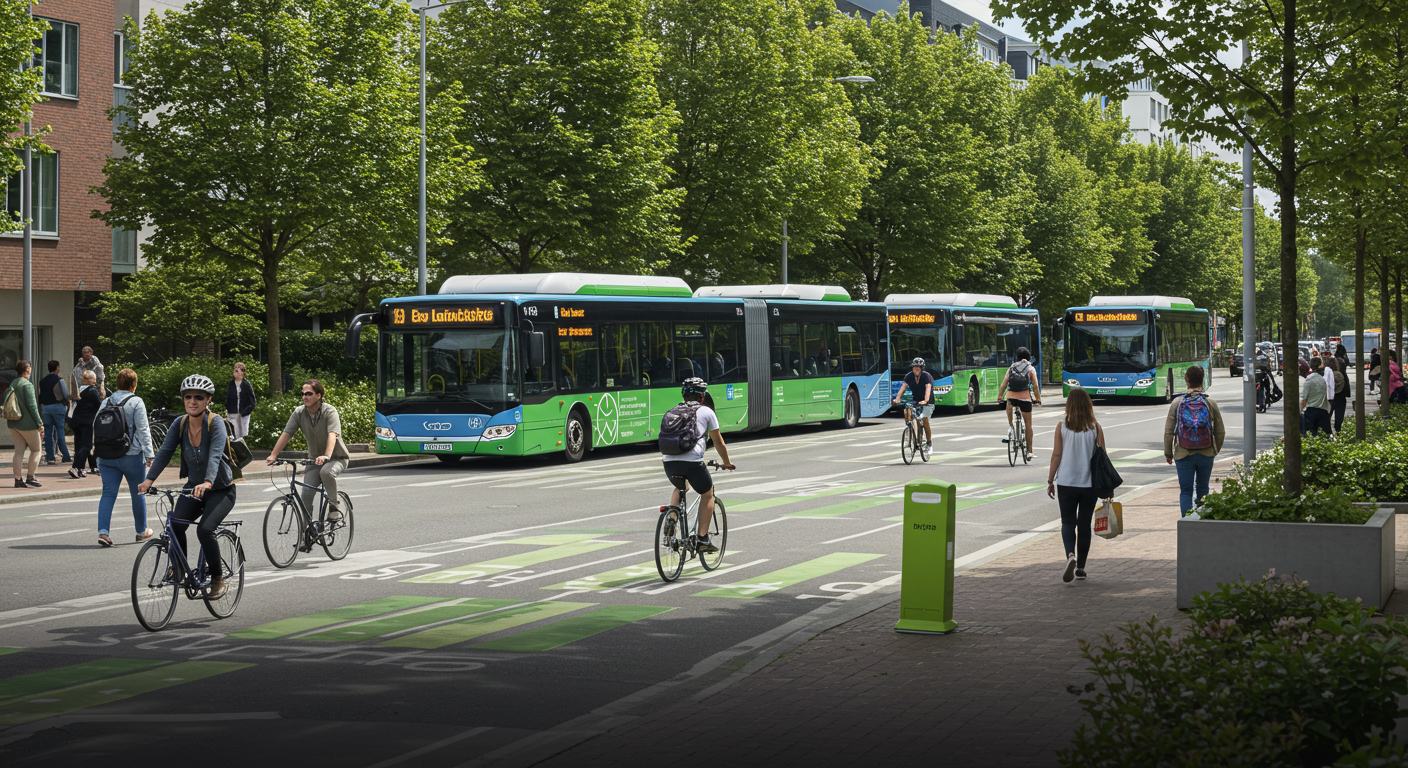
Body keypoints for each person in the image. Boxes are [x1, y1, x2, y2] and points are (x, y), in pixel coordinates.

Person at [139, 375, 236, 598]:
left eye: (199, 398)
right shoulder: (179, 423)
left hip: (220, 489)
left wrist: (209, 481)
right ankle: (180, 568)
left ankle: (218, 578)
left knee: (204, 529)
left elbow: (214, 455)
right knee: (175, 525)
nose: (193, 401)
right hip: (194, 487)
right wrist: (149, 479)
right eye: (188, 397)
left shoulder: (216, 423)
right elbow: (164, 453)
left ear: (208, 400)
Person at [660, 377, 735, 553]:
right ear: (702, 397)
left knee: (681, 486)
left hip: (669, 462)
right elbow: (719, 442)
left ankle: (672, 518)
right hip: (692, 463)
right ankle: (702, 538)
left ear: (683, 395)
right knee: (707, 493)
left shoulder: (672, 411)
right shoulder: (707, 412)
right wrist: (726, 463)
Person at [267, 379, 351, 521]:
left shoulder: (330, 411)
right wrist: (273, 455)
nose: (304, 397)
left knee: (326, 472)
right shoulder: (299, 413)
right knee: (306, 494)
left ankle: (334, 506)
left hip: (336, 458)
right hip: (314, 460)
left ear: (319, 395)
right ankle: (306, 534)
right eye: (303, 394)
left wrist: (326, 456)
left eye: (309, 394)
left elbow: (333, 435)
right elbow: (287, 434)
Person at [1046, 388, 1105, 583]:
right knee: (1084, 524)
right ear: (1088, 404)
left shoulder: (1061, 426)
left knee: (1068, 522)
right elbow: (1103, 456)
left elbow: (1056, 455)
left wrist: (1050, 480)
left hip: (1066, 482)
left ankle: (1070, 555)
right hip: (1089, 484)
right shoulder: (1095, 427)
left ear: (1069, 405)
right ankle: (1081, 567)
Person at [95, 368, 154, 547]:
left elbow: (95, 426)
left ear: (118, 383)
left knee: (108, 493)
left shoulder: (106, 401)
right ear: (134, 384)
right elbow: (143, 429)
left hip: (106, 455)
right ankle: (141, 531)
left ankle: (103, 533)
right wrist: (150, 453)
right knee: (138, 493)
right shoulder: (136, 402)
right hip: (132, 455)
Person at [1164, 365, 1225, 516]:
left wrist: (1168, 453)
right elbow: (1220, 431)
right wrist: (1215, 450)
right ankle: (1202, 521)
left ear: (1187, 382)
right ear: (1202, 381)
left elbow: (1169, 432)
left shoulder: (1177, 403)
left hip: (1183, 454)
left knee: (1186, 492)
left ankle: (1187, 523)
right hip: (1206, 452)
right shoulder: (1210, 403)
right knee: (1203, 489)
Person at [999, 346, 1042, 461]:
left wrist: (999, 396)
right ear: (1029, 357)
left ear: (1016, 357)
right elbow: (1036, 386)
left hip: (1011, 397)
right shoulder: (1030, 368)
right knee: (1028, 426)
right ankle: (1029, 451)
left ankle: (1011, 428)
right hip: (1025, 399)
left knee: (1009, 403)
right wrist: (1037, 398)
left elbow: (1004, 384)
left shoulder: (1011, 368)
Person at [5, 360, 43, 488]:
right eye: (30, 367)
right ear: (27, 369)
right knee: (37, 450)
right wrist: (39, 423)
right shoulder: (27, 385)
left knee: (19, 452)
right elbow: (32, 406)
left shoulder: (13, 383)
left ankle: (18, 479)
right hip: (28, 424)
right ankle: (31, 477)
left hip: (13, 423)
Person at [892, 358, 935, 456]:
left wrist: (926, 400)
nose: (916, 369)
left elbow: (928, 389)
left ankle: (929, 443)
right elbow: (903, 387)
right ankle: (912, 433)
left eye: (918, 368)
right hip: (916, 400)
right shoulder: (909, 376)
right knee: (908, 412)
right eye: (914, 367)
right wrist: (897, 398)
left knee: (924, 419)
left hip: (928, 402)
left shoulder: (927, 377)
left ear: (921, 369)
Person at [37, 360, 72, 465]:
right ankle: (65, 456)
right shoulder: (59, 380)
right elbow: (65, 394)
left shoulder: (42, 381)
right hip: (58, 407)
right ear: (57, 368)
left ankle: (50, 457)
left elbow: (40, 396)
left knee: (48, 433)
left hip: (46, 408)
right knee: (60, 431)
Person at [69, 370, 102, 478]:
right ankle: (75, 467)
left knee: (79, 445)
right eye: (94, 378)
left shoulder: (78, 390)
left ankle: (80, 469)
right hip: (87, 421)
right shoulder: (93, 391)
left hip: (75, 421)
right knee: (87, 445)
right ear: (91, 380)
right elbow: (99, 405)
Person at [224, 363, 257, 441]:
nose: (237, 371)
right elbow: (228, 398)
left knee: (243, 433)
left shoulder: (246, 384)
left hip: (244, 413)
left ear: (243, 372)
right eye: (235, 369)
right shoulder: (231, 384)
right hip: (232, 413)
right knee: (234, 432)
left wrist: (246, 411)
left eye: (239, 369)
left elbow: (252, 401)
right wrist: (228, 410)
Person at [1301, 357, 1332, 436]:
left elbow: (1303, 399)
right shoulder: (1322, 380)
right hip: (1323, 411)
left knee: (1308, 435)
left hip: (1311, 411)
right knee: (1324, 436)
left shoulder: (1309, 380)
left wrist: (1301, 411)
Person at [1328, 358, 1350, 433]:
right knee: (1338, 419)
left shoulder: (1333, 374)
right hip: (1340, 398)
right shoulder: (1341, 374)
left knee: (1327, 417)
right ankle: (1337, 431)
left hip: (1332, 398)